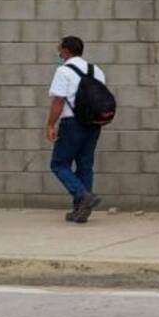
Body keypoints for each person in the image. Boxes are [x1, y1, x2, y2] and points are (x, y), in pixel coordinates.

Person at [46, 36, 106, 223]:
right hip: (93, 124)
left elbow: (58, 100)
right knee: (85, 165)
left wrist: (50, 124)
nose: (59, 53)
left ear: (66, 50)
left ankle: (83, 195)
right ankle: (80, 211)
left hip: (72, 123)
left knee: (59, 164)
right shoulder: (96, 70)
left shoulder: (63, 71)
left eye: (60, 49)